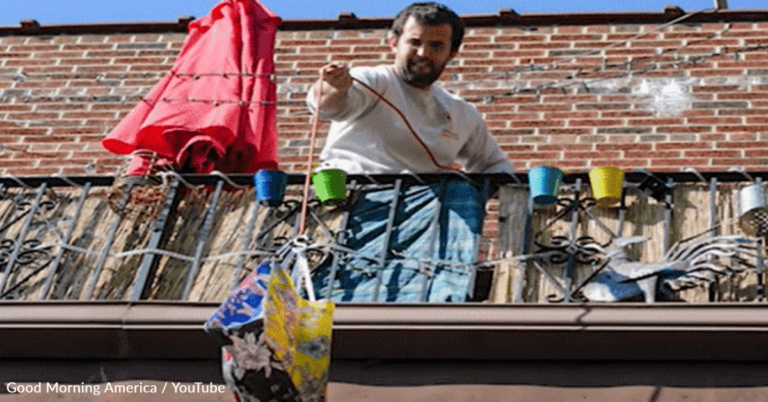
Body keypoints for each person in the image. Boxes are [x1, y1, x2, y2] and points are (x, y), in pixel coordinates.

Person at [306, 2, 514, 175]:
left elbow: (495, 165)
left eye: (436, 46)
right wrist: (333, 87)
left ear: (452, 53)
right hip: (355, 204)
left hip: (428, 214)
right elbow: (327, 107)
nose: (423, 53)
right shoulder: (372, 81)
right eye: (414, 42)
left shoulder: (461, 113)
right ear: (393, 43)